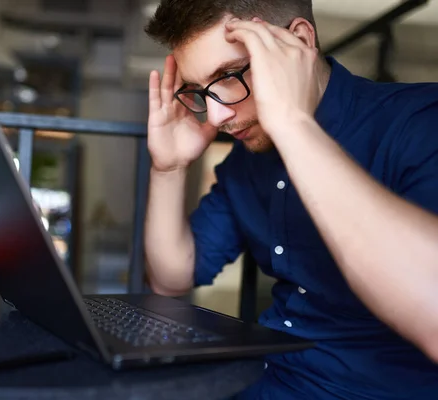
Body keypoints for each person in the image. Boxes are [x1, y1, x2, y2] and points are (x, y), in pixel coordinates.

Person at [142, 1, 438, 399]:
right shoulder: (247, 162)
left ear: (299, 40)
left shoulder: (420, 122)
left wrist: (293, 124)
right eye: (199, 92)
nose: (214, 116)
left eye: (229, 76)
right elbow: (170, 278)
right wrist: (169, 169)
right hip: (265, 381)